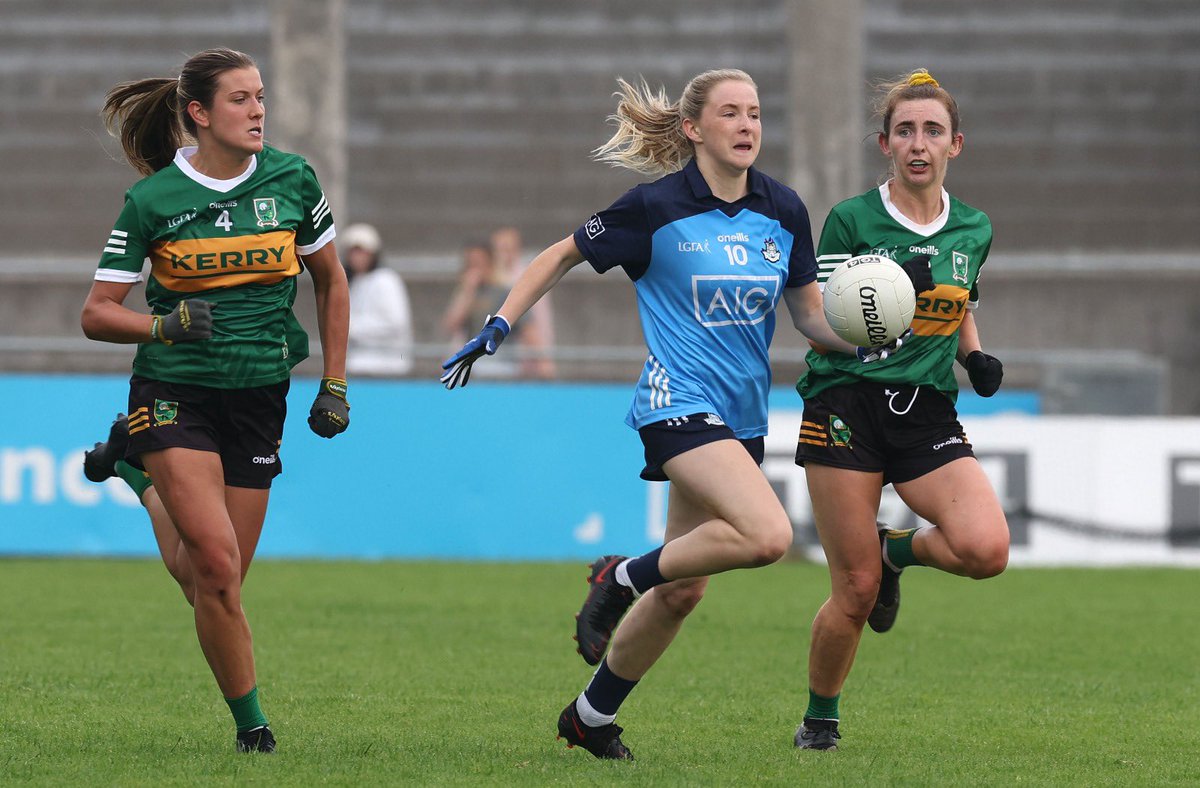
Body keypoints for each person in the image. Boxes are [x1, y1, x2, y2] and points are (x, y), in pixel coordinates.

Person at [440, 70, 910, 759]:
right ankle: (620, 575)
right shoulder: (655, 208)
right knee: (768, 535)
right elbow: (562, 253)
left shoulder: (783, 209)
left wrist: (871, 337)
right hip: (676, 400)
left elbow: (811, 314)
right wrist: (500, 323)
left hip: (742, 417)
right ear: (694, 129)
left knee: (683, 591)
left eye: (755, 112)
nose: (748, 125)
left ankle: (589, 718)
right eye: (731, 113)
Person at [80, 48, 351, 754]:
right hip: (175, 392)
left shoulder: (293, 180)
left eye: (260, 97)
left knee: (209, 580)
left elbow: (332, 281)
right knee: (219, 571)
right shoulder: (152, 201)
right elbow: (97, 313)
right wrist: (160, 326)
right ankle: (253, 729)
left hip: (260, 395)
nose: (258, 110)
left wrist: (335, 383)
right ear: (199, 113)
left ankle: (139, 478)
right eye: (240, 99)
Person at [791, 68, 1009, 751]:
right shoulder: (853, 220)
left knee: (986, 549)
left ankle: (897, 554)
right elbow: (819, 317)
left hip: (926, 410)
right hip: (844, 402)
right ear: (884, 143)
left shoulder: (974, 229)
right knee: (852, 591)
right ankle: (820, 722)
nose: (919, 143)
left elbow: (961, 302)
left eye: (933, 131)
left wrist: (973, 356)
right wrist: (883, 310)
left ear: (956, 145)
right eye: (906, 131)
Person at [342, 222, 414, 376]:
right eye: (353, 252)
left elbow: (395, 322)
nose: (356, 257)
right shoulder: (354, 283)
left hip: (386, 364)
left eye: (361, 251)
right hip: (361, 362)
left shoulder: (386, 280)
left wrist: (352, 328)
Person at [490, 226, 557, 380]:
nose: (503, 254)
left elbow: (539, 321)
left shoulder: (527, 275)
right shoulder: (492, 277)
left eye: (508, 248)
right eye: (499, 249)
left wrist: (544, 357)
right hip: (509, 356)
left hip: (528, 351)